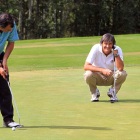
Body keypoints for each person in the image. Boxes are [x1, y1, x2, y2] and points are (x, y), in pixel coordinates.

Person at [84, 33, 127, 102]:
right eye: (105, 43)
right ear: (101, 44)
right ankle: (94, 93)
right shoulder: (95, 48)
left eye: (110, 44)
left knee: (123, 73)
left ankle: (112, 92)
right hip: (98, 75)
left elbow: (120, 68)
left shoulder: (118, 49)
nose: (107, 46)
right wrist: (102, 70)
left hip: (112, 76)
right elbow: (86, 66)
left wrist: (116, 55)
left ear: (113, 45)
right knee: (88, 74)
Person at [0, 13, 23, 127]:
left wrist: (4, 60)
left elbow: (11, 43)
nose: (11, 29)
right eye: (8, 28)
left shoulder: (11, 25)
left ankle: (8, 120)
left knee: (4, 86)